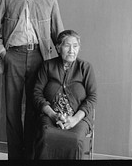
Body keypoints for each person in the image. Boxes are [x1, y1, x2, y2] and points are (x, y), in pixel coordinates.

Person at [0, 0, 64, 160]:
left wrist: (63, 61)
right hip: (13, 57)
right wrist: (4, 54)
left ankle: (29, 156)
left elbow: (59, 36)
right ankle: (14, 157)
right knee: (12, 110)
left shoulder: (50, 0)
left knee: (35, 108)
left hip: (41, 59)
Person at [33, 30, 97, 159]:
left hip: (79, 117)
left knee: (75, 139)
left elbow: (92, 97)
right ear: (58, 47)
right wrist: (52, 115)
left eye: (75, 46)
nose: (71, 50)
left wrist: (74, 119)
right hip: (51, 114)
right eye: (67, 45)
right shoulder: (47, 66)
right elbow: (37, 94)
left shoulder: (85, 67)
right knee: (46, 135)